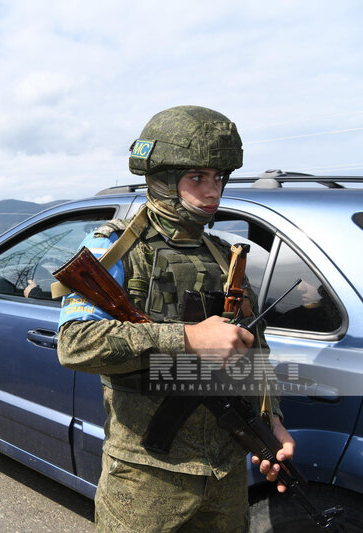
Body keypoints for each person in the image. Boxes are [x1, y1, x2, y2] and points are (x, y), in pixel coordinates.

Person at [56, 105, 294, 532]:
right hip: (144, 480)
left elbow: (255, 351)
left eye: (219, 177)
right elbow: (75, 344)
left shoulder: (225, 256)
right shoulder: (115, 248)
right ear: (163, 181)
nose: (213, 192)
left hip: (225, 478)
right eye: (197, 178)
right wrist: (187, 339)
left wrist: (271, 421)